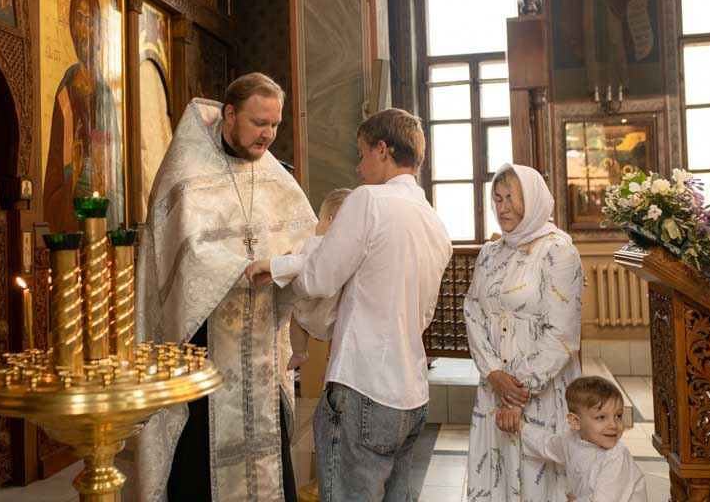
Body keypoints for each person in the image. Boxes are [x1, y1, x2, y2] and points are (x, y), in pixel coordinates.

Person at [248, 108, 453, 501]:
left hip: (363, 387)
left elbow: (321, 277)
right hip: (411, 394)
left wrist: (276, 266)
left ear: (382, 149)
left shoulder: (369, 201)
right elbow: (423, 314)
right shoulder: (434, 221)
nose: (359, 168)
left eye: (361, 154)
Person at [130, 73, 317, 502]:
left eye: (275, 124)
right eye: (258, 123)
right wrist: (241, 268)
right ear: (229, 114)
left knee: (267, 447)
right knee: (199, 456)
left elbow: (306, 237)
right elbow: (185, 253)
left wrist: (285, 266)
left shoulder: (272, 173)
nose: (268, 135)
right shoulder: (186, 173)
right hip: (203, 346)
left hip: (260, 347)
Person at [465, 163, 584, 501]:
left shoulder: (559, 252)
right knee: (496, 477)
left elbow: (562, 336)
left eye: (510, 199)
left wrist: (518, 393)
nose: (502, 208)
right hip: (494, 389)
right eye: (497, 198)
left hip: (541, 394)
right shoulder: (489, 253)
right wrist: (494, 373)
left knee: (538, 479)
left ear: (531, 201)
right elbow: (472, 311)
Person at [43, 0, 124, 233]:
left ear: (99, 31)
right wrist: (75, 173)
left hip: (105, 215)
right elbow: (54, 179)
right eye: (79, 19)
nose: (85, 30)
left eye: (91, 21)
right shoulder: (65, 92)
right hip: (73, 215)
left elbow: (117, 172)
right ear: (71, 26)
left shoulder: (108, 97)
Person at [248, 187, 352, 369]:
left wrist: (268, 266)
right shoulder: (351, 249)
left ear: (330, 220)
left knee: (296, 317)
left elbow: (299, 263)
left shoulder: (320, 243)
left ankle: (299, 353)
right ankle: (333, 357)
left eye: (319, 220)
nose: (317, 226)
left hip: (312, 313)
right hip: (335, 316)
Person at [509, 376, 647, 502]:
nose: (613, 425)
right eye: (601, 417)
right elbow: (547, 444)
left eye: (618, 415)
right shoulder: (572, 441)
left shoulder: (616, 457)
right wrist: (520, 427)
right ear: (575, 421)